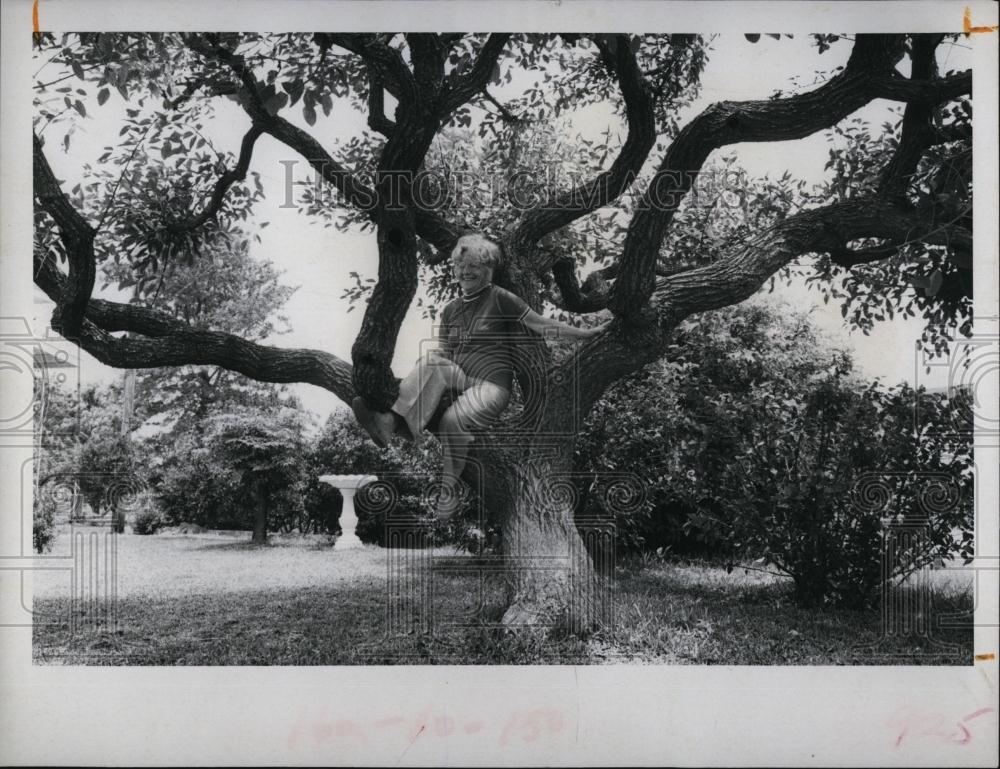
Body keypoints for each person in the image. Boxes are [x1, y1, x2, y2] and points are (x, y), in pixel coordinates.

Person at [352, 233, 607, 518]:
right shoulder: (450, 310)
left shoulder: (501, 299)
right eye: (460, 267)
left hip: (491, 386)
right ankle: (391, 423)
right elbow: (444, 352)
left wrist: (587, 333)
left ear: (489, 269)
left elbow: (543, 325)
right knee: (433, 360)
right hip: (461, 381)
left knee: (451, 421)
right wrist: (425, 371)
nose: (465, 272)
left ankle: (448, 491)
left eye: (473, 266)